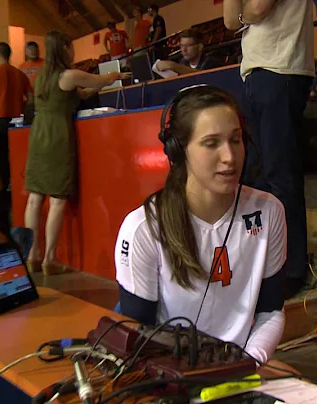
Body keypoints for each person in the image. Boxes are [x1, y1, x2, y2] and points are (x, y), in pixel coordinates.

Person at [114, 85, 287, 364]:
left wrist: (248, 364)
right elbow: (136, 334)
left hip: (242, 367)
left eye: (235, 139)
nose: (230, 157)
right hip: (170, 368)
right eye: (211, 143)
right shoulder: (143, 229)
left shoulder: (269, 212)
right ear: (179, 151)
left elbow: (270, 311)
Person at [224, 0, 315, 299]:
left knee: (280, 175)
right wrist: (241, 14)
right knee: (258, 177)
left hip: (281, 68)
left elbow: (256, 9)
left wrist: (242, 15)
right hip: (256, 71)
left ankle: (292, 269)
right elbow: (230, 20)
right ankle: (266, 262)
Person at [23, 31, 128, 275]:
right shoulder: (68, 74)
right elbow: (98, 81)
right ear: (64, 48)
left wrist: (93, 87)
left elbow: (76, 95)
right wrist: (115, 75)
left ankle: (32, 255)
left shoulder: (41, 78)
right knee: (58, 199)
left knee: (35, 197)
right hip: (57, 137)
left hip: (38, 136)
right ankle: (50, 258)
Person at [0, 42, 33, 208]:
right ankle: (15, 189)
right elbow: (30, 97)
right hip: (16, 121)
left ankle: (1, 196)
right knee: (15, 156)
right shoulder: (20, 74)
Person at [154, 29, 224, 76]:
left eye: (188, 45)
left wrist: (174, 67)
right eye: (181, 46)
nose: (184, 49)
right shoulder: (183, 62)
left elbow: (201, 76)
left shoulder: (211, 62)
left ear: (200, 47)